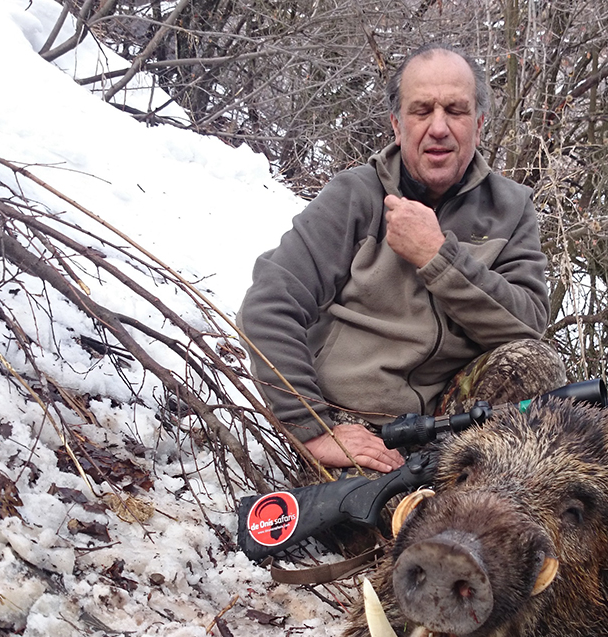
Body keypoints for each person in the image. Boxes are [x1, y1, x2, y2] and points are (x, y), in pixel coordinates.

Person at [238, 43, 565, 474]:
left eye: (456, 109)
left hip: (453, 424)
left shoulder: (512, 208)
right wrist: (314, 427)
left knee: (534, 362)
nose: (439, 127)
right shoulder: (355, 196)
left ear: (480, 124)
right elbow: (267, 306)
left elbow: (526, 325)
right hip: (356, 425)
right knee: (401, 527)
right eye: (421, 110)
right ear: (396, 124)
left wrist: (437, 257)